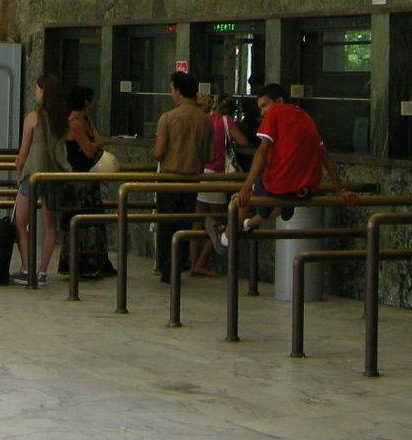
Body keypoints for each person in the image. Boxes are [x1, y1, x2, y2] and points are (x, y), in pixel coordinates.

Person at [231, 83, 357, 229]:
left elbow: (262, 151)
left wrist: (245, 189)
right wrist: (340, 189)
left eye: (264, 106)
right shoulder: (306, 117)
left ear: (279, 101)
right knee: (277, 201)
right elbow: (325, 156)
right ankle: (250, 224)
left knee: (240, 199)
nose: (262, 112)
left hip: (280, 187)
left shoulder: (276, 112)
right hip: (305, 191)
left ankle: (233, 233)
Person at [12, 75, 73, 286]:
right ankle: (43, 271)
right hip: (54, 175)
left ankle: (26, 266)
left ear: (42, 91)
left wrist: (18, 173)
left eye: (38, 89)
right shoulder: (61, 120)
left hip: (32, 174)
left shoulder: (32, 117)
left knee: (20, 221)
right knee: (49, 225)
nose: (36, 93)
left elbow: (23, 152)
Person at [150, 70, 211, 283]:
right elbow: (210, 154)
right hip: (193, 180)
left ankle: (168, 267)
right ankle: (182, 262)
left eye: (171, 89)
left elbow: (158, 152)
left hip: (169, 179)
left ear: (177, 90)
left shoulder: (168, 118)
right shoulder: (204, 120)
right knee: (185, 224)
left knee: (167, 225)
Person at [62, 85, 114, 278]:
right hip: (79, 177)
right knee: (82, 218)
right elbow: (89, 149)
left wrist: (95, 143)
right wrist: (97, 144)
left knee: (92, 218)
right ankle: (83, 262)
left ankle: (94, 260)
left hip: (88, 175)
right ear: (86, 102)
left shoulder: (85, 121)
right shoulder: (75, 123)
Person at [191, 93, 235, 277]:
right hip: (216, 175)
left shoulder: (203, 121)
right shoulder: (226, 122)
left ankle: (193, 262)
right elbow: (243, 141)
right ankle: (200, 263)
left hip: (202, 173)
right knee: (220, 222)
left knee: (198, 221)